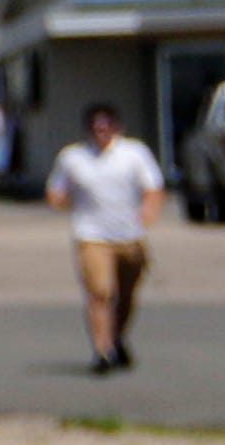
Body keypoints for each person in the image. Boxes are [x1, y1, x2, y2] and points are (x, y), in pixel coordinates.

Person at [47, 99, 166, 375]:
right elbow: (56, 190)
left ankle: (116, 338)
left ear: (117, 128)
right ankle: (102, 352)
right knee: (100, 293)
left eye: (106, 126)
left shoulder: (134, 153)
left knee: (125, 295)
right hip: (91, 235)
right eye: (95, 128)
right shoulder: (73, 157)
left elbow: (153, 187)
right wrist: (59, 199)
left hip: (129, 236)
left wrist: (149, 210)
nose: (101, 132)